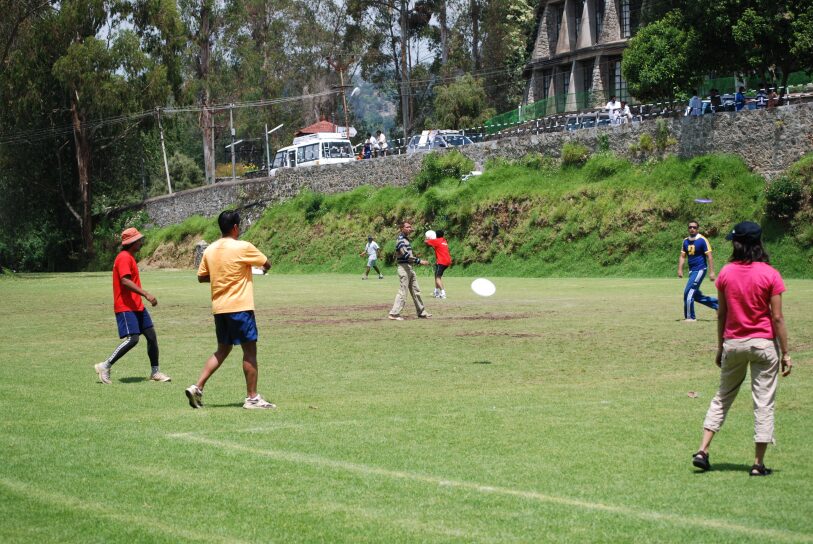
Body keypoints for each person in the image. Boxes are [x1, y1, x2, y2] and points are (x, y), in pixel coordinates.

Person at [691, 221, 792, 476]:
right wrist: (786, 352)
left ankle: (703, 450)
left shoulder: (726, 273)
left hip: (733, 343)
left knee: (723, 396)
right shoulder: (770, 274)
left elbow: (721, 314)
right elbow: (777, 318)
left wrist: (720, 346)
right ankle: (758, 464)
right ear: (758, 243)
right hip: (763, 344)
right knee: (763, 402)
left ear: (737, 244)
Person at [185, 210, 275, 410]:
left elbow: (201, 276)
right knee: (249, 351)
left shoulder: (210, 249)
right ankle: (252, 398)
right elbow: (266, 264)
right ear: (235, 227)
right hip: (240, 307)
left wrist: (221, 275)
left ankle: (197, 387)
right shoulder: (243, 246)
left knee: (222, 350)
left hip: (220, 308)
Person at [94, 228, 171, 385]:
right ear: (131, 242)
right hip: (125, 306)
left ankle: (155, 372)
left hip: (137, 306)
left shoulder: (129, 257)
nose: (141, 242)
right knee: (133, 339)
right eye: (138, 240)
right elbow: (125, 281)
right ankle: (105, 365)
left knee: (151, 336)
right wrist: (146, 294)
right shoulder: (123, 257)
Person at [388, 221, 431, 320]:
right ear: (401, 228)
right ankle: (394, 314)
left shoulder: (406, 239)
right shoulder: (401, 240)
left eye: (410, 227)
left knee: (416, 291)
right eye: (407, 227)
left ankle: (422, 312)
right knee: (403, 291)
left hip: (409, 268)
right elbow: (407, 256)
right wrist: (420, 261)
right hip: (404, 268)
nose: (410, 228)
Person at [677, 221, 718, 321]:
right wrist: (680, 269)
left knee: (688, 292)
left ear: (697, 229)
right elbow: (683, 256)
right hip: (692, 271)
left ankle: (690, 317)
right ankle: (719, 304)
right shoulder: (685, 241)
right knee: (695, 295)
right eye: (690, 227)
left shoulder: (702, 240)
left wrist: (712, 272)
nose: (692, 229)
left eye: (694, 227)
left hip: (700, 269)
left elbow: (709, 256)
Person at [425, 229, 452, 298]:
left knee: (437, 278)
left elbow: (426, 242)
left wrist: (427, 238)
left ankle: (443, 293)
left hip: (441, 261)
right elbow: (436, 246)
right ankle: (436, 291)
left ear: (436, 235)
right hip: (447, 261)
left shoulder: (437, 241)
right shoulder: (444, 240)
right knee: (436, 275)